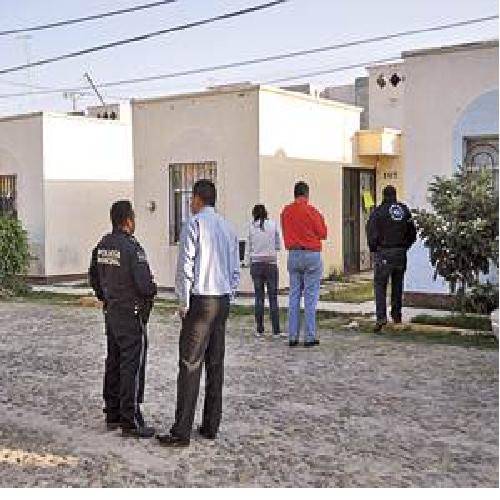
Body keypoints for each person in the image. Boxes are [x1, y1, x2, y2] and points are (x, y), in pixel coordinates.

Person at [157, 179, 240, 447]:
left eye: (191, 199)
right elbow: (235, 269)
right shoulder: (227, 227)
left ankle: (181, 430)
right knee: (215, 364)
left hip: (201, 300)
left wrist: (183, 302)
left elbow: (185, 266)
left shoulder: (193, 224)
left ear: (197, 199)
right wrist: (230, 295)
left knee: (190, 364)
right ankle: (211, 425)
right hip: (221, 300)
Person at [89, 200, 157, 438]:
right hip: (131, 313)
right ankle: (130, 419)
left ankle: (113, 412)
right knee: (132, 365)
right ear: (128, 220)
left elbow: (94, 278)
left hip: (112, 312)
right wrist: (152, 291)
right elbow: (144, 285)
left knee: (114, 360)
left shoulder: (102, 245)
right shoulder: (132, 248)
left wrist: (105, 297)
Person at [281, 181, 327, 347]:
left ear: (294, 194)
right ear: (307, 194)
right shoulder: (312, 211)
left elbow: (285, 231)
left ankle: (292, 336)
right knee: (310, 297)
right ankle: (309, 336)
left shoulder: (286, 212)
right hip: (311, 254)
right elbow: (323, 233)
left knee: (293, 296)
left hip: (293, 254)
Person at [366, 185, 417, 333]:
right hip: (400, 253)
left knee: (380, 285)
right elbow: (412, 233)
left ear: (383, 195)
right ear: (395, 195)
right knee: (398, 285)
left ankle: (381, 318)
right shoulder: (404, 210)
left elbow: (371, 233)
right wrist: (404, 246)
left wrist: (374, 250)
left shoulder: (378, 212)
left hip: (384, 252)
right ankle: (397, 315)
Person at [247, 204, 283, 338]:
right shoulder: (273, 225)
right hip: (271, 264)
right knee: (273, 297)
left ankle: (259, 329)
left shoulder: (251, 228)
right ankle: (276, 330)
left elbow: (249, 247)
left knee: (259, 297)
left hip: (256, 264)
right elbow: (278, 245)